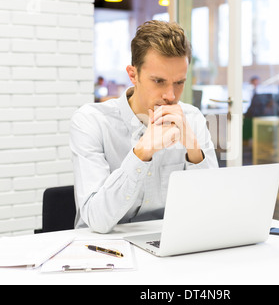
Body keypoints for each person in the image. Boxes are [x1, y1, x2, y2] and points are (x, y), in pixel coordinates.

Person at [70, 20, 219, 233]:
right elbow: (98, 219)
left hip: (169, 246)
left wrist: (194, 150)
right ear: (133, 75)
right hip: (104, 248)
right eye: (159, 81)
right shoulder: (91, 121)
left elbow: (212, 209)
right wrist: (142, 152)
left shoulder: (192, 118)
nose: (170, 96)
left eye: (179, 83)